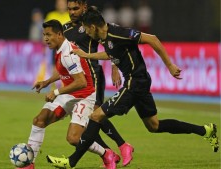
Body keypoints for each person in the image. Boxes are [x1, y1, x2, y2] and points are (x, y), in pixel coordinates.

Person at [46, 7, 219, 169]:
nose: (87, 33)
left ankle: (72, 161)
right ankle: (205, 130)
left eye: (87, 29)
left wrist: (170, 65)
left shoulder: (120, 33)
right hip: (140, 82)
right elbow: (111, 52)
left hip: (134, 82)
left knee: (96, 116)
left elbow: (152, 39)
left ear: (93, 26)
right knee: (154, 125)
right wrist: (88, 55)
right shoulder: (104, 36)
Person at [18, 19, 118, 169]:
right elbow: (63, 71)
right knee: (39, 120)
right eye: (44, 34)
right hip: (70, 94)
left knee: (73, 138)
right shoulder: (61, 49)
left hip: (84, 96)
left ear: (59, 34)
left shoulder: (68, 54)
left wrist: (56, 91)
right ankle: (29, 164)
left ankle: (107, 154)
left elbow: (81, 82)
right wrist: (46, 82)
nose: (45, 38)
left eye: (49, 35)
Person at [63, 0, 133, 167]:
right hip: (76, 80)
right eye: (69, 9)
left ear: (84, 8)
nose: (72, 12)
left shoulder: (91, 25)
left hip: (93, 76)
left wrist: (115, 67)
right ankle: (110, 153)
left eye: (75, 8)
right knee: (86, 122)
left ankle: (122, 146)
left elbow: (110, 44)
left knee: (95, 115)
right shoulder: (65, 29)